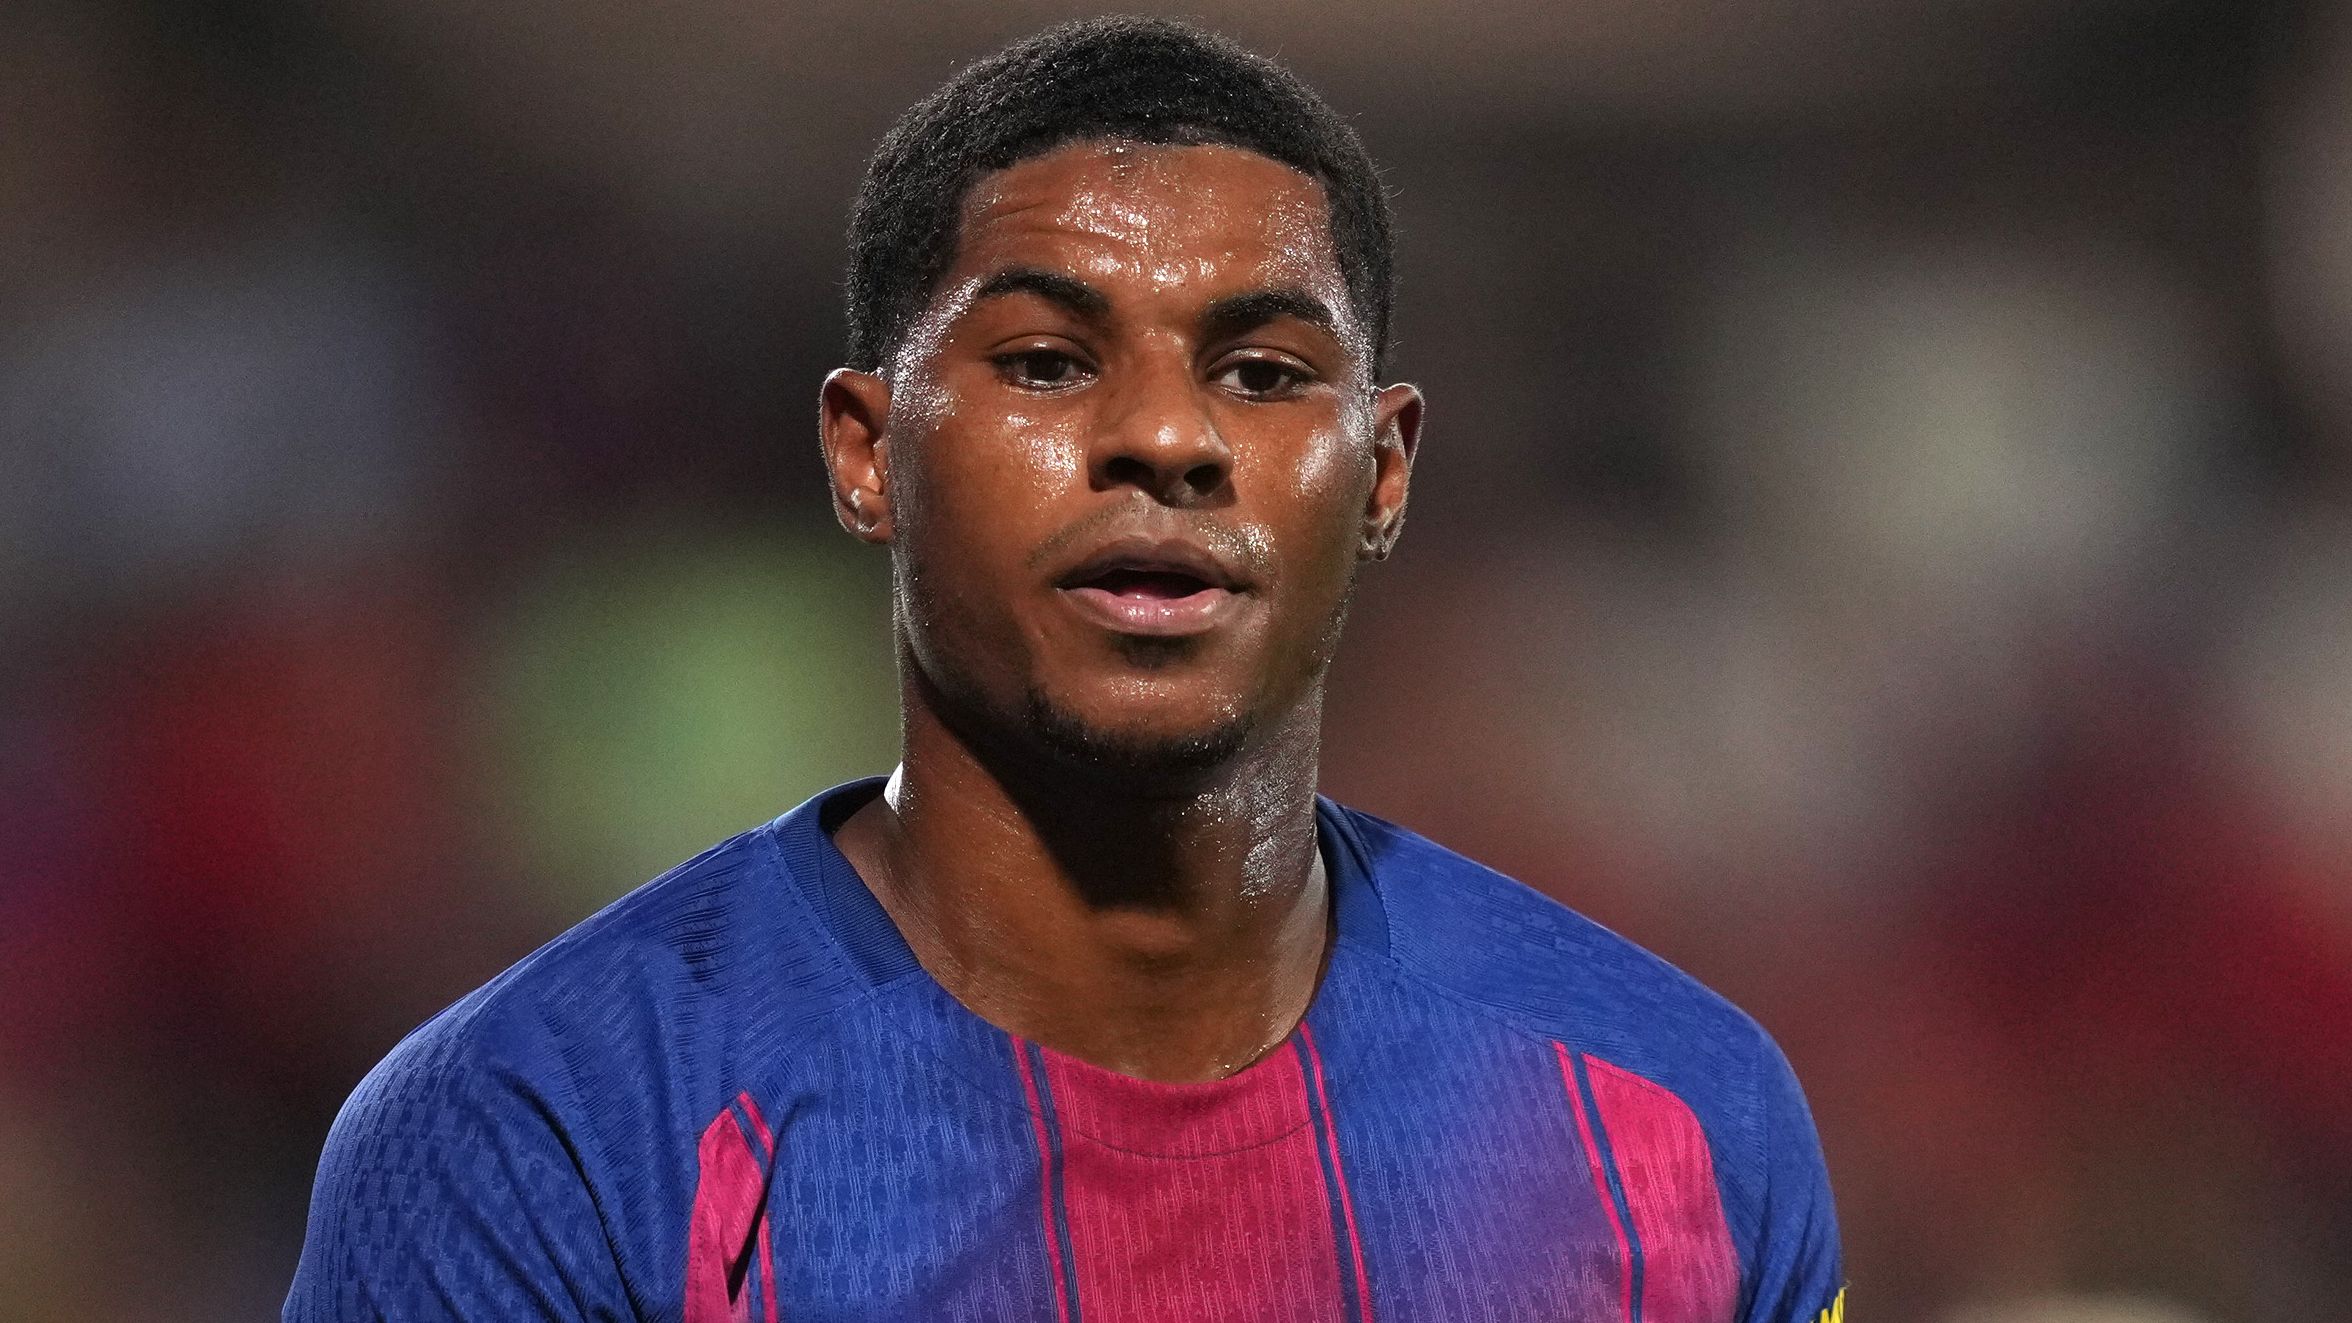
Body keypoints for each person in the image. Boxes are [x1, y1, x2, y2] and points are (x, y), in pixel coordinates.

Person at [285, 17, 1844, 1322]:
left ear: (1382, 473)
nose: (1164, 438)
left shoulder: (1685, 1123)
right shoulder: (546, 1131)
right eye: (1045, 361)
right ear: (867, 453)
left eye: (1263, 374)